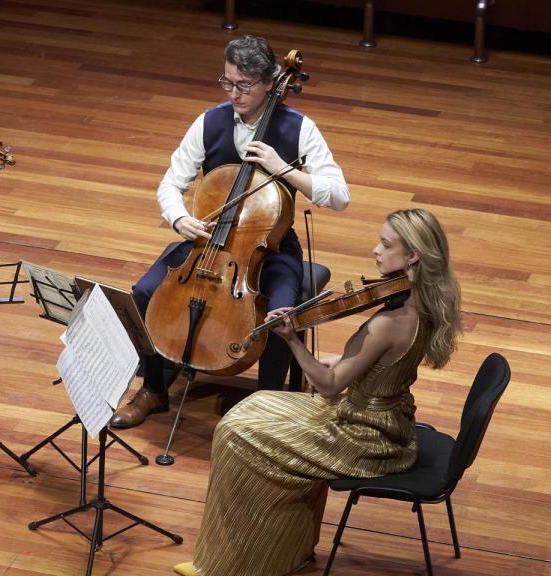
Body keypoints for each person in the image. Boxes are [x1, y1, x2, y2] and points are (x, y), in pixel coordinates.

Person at [173, 208, 462, 575]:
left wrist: (293, 340)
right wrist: (346, 358)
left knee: (235, 433)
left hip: (363, 438)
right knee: (259, 403)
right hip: (389, 423)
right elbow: (386, 362)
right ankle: (286, 549)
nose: (375, 250)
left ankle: (223, 568)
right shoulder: (420, 302)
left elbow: (327, 387)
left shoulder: (390, 322)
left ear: (413, 256)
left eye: (386, 245)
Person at [110, 35, 350, 429]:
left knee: (279, 317)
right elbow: (170, 184)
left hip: (269, 250)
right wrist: (179, 219)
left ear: (270, 82)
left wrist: (284, 169)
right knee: (142, 293)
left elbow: (339, 196)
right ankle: (153, 388)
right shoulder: (209, 121)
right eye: (227, 82)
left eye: (244, 85)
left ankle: (267, 405)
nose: (234, 93)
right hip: (205, 240)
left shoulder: (300, 129)